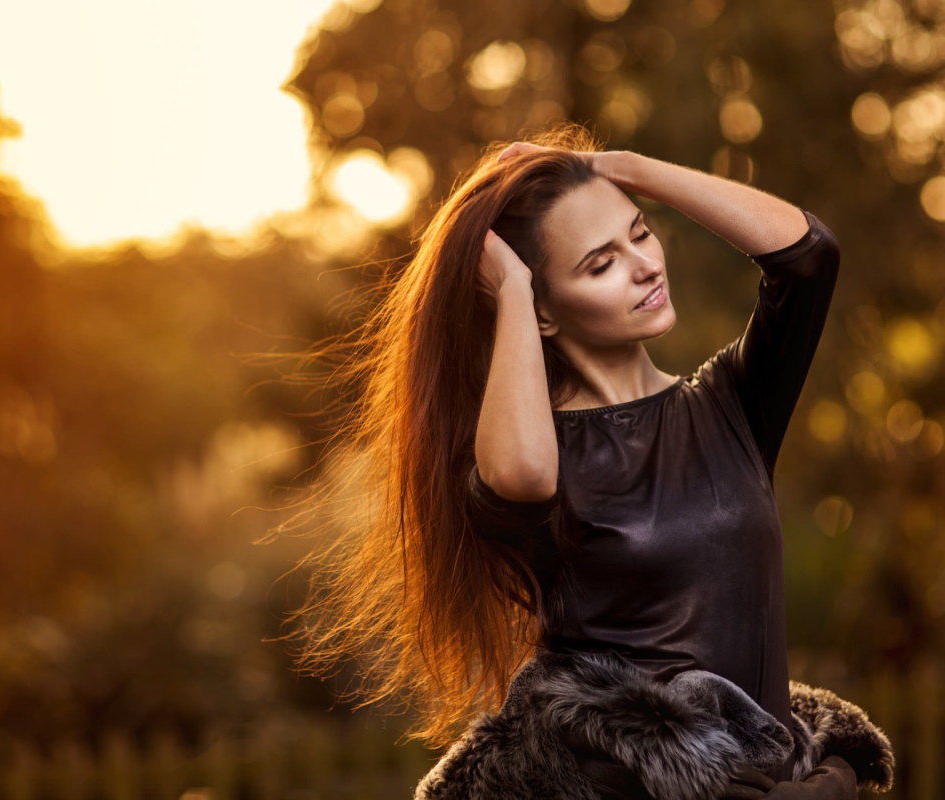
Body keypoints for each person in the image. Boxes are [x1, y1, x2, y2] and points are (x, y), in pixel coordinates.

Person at [285, 124, 894, 799]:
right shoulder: (521, 450)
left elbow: (808, 257)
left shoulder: (731, 407)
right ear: (545, 311)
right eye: (599, 263)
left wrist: (626, 168)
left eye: (639, 233)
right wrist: (514, 290)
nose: (644, 265)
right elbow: (522, 473)